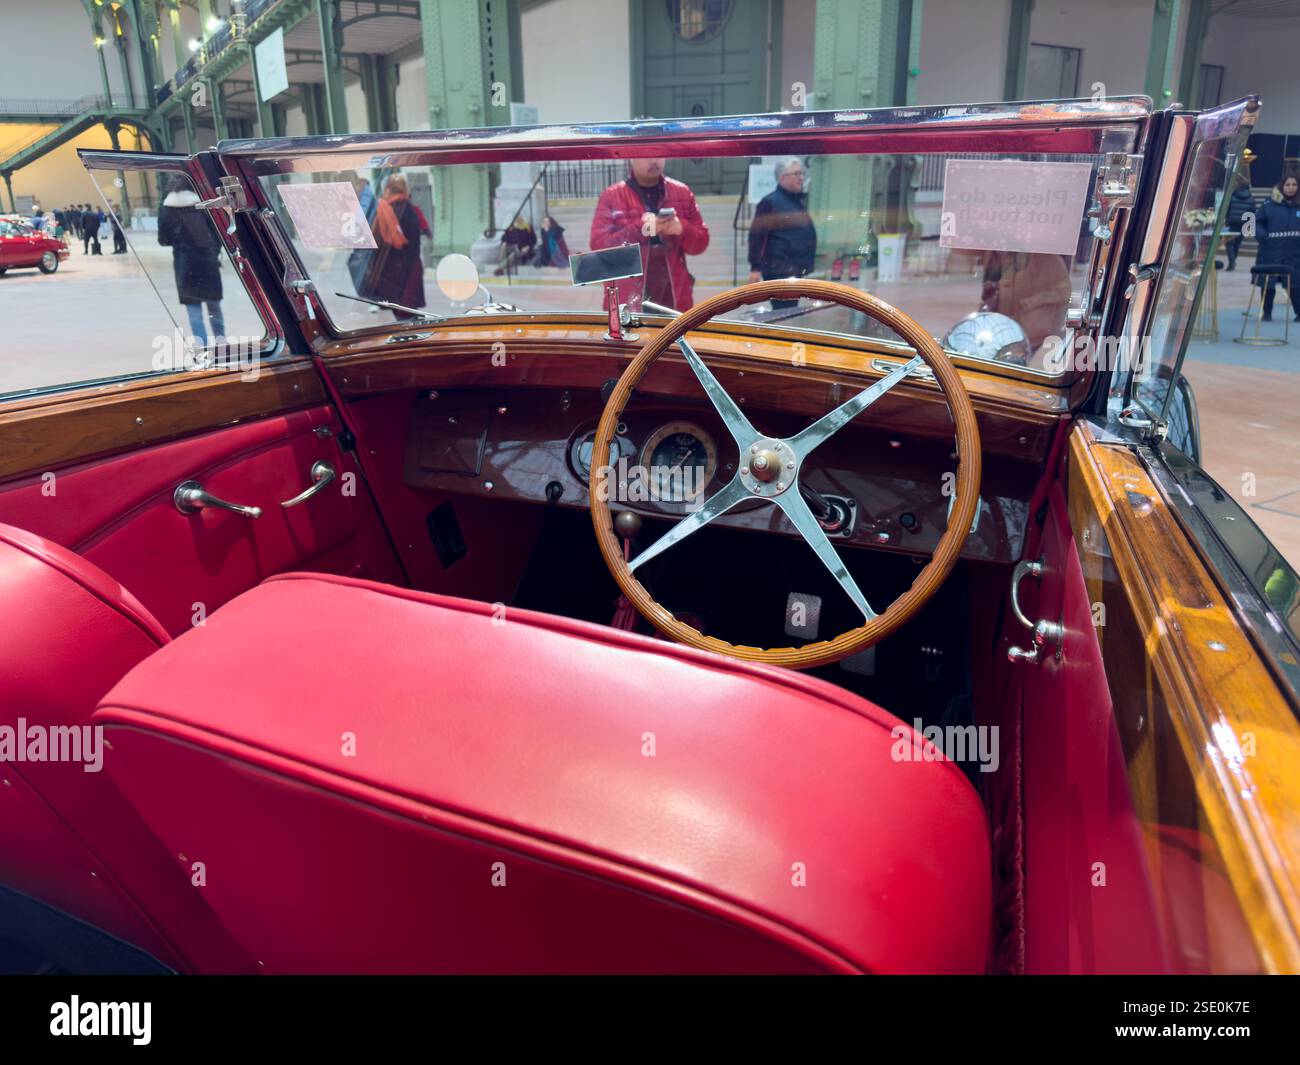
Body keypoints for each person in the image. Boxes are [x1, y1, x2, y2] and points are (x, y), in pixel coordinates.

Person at [589, 157, 709, 311]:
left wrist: (681, 229)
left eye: (659, 154)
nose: (654, 160)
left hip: (674, 298)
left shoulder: (683, 193)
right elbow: (599, 246)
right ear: (631, 157)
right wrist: (642, 229)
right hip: (627, 301)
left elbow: (701, 244)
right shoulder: (612, 196)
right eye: (645, 154)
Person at [157, 175, 225, 344]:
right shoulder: (203, 205)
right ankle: (221, 343)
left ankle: (203, 348)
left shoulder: (166, 207)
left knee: (194, 312)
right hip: (208, 261)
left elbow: (163, 240)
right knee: (214, 308)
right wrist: (214, 252)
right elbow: (217, 234)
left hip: (184, 265)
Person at [748, 157, 816, 308]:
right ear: (782, 177)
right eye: (797, 174)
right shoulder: (770, 202)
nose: (801, 178)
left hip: (794, 270)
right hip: (779, 272)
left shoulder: (795, 201)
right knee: (784, 313)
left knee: (791, 312)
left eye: (802, 173)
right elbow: (757, 236)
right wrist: (755, 268)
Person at [980, 251, 1072, 356]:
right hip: (1003, 331)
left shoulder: (1051, 261)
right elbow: (1001, 286)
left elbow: (1064, 292)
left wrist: (1034, 301)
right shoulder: (1003, 255)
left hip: (1035, 334)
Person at [359, 174, 425, 318]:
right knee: (408, 317)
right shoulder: (412, 210)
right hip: (411, 271)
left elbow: (372, 243)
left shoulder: (382, 210)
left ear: (387, 190)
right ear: (405, 189)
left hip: (391, 273)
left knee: (401, 319)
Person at [1254, 171, 1300, 321]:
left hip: (1294, 253)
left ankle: (1299, 313)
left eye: (1294, 185)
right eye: (1288, 184)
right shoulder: (1269, 204)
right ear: (1282, 186)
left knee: (1295, 285)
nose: (1291, 188)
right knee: (1268, 284)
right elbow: (1257, 222)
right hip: (1271, 251)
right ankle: (1267, 313)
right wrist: (1262, 236)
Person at [1224, 175, 1255, 271]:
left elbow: (1227, 209)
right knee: (1237, 244)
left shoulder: (1232, 196)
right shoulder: (1251, 199)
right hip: (1243, 225)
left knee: (1228, 243)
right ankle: (1232, 261)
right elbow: (1253, 212)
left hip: (1232, 223)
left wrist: (1226, 219)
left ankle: (1232, 262)